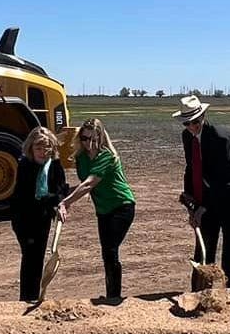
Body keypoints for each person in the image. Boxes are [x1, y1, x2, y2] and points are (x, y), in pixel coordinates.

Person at [176, 96, 230, 288]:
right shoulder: (187, 136)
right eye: (187, 123)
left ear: (204, 115)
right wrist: (191, 204)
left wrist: (202, 207)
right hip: (208, 196)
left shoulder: (220, 138)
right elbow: (192, 169)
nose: (192, 126)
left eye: (195, 121)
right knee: (204, 244)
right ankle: (200, 289)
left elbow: (224, 178)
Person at [60, 117, 137, 302]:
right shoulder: (81, 158)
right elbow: (83, 184)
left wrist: (66, 202)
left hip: (122, 206)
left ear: (101, 138)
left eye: (93, 139)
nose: (89, 143)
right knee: (107, 252)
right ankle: (112, 293)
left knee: (110, 249)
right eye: (85, 139)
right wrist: (61, 198)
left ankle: (114, 296)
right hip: (103, 210)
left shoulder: (107, 156)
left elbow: (89, 184)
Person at [11, 127, 72, 301]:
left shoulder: (55, 165)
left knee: (38, 256)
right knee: (30, 254)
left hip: (43, 218)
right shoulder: (24, 165)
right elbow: (30, 196)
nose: (43, 152)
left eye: (47, 148)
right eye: (38, 147)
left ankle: (34, 296)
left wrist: (61, 203)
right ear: (31, 148)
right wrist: (55, 201)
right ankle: (26, 297)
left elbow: (61, 189)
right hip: (23, 217)